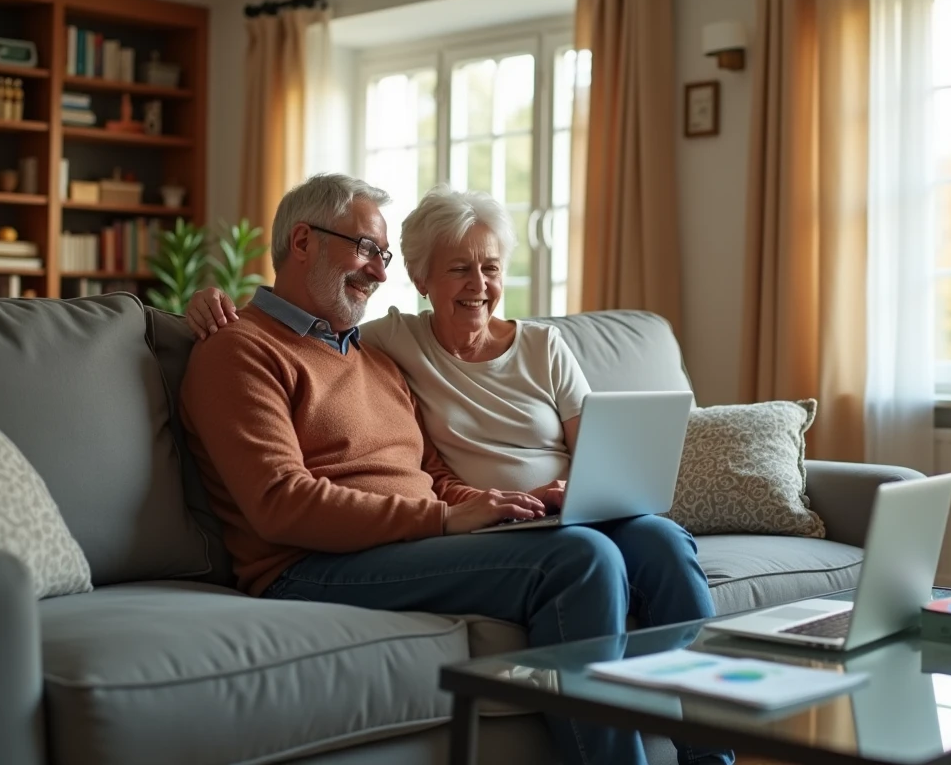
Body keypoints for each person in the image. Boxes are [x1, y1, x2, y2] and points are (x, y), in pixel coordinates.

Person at [181, 174, 732, 765]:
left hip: (402, 544)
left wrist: (500, 505)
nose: (378, 271)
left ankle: (711, 757)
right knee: (579, 558)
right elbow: (280, 504)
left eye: (383, 255)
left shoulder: (372, 356)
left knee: (653, 541)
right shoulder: (240, 349)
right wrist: (444, 520)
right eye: (366, 248)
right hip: (308, 565)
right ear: (301, 241)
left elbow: (433, 474)